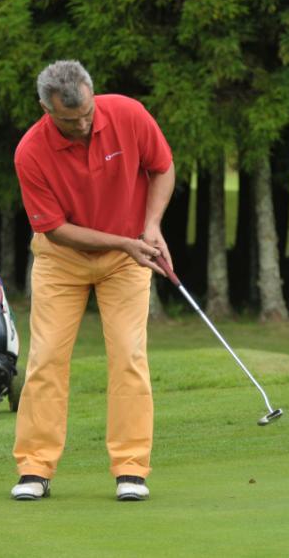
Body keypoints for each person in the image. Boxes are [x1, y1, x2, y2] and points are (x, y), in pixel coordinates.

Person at [10, 60, 175, 501]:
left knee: (128, 356)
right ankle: (35, 467)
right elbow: (56, 229)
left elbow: (162, 167)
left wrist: (151, 226)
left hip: (126, 260)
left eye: (87, 114)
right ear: (47, 109)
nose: (82, 125)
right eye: (70, 120)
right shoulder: (31, 152)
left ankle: (131, 468)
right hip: (61, 262)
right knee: (46, 358)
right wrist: (125, 242)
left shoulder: (127, 114)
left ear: (92, 95)